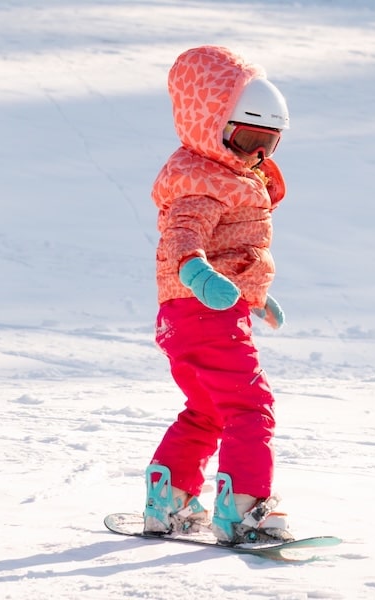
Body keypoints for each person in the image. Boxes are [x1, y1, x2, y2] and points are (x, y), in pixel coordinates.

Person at [143, 45, 293, 545]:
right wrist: (198, 274)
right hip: (203, 311)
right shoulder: (200, 179)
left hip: (191, 315)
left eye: (268, 144)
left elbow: (233, 248)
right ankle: (245, 506)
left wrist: (251, 294)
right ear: (211, 123)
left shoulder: (226, 175)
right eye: (249, 138)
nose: (257, 155)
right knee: (251, 408)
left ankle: (170, 499)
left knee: (209, 410)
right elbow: (183, 234)